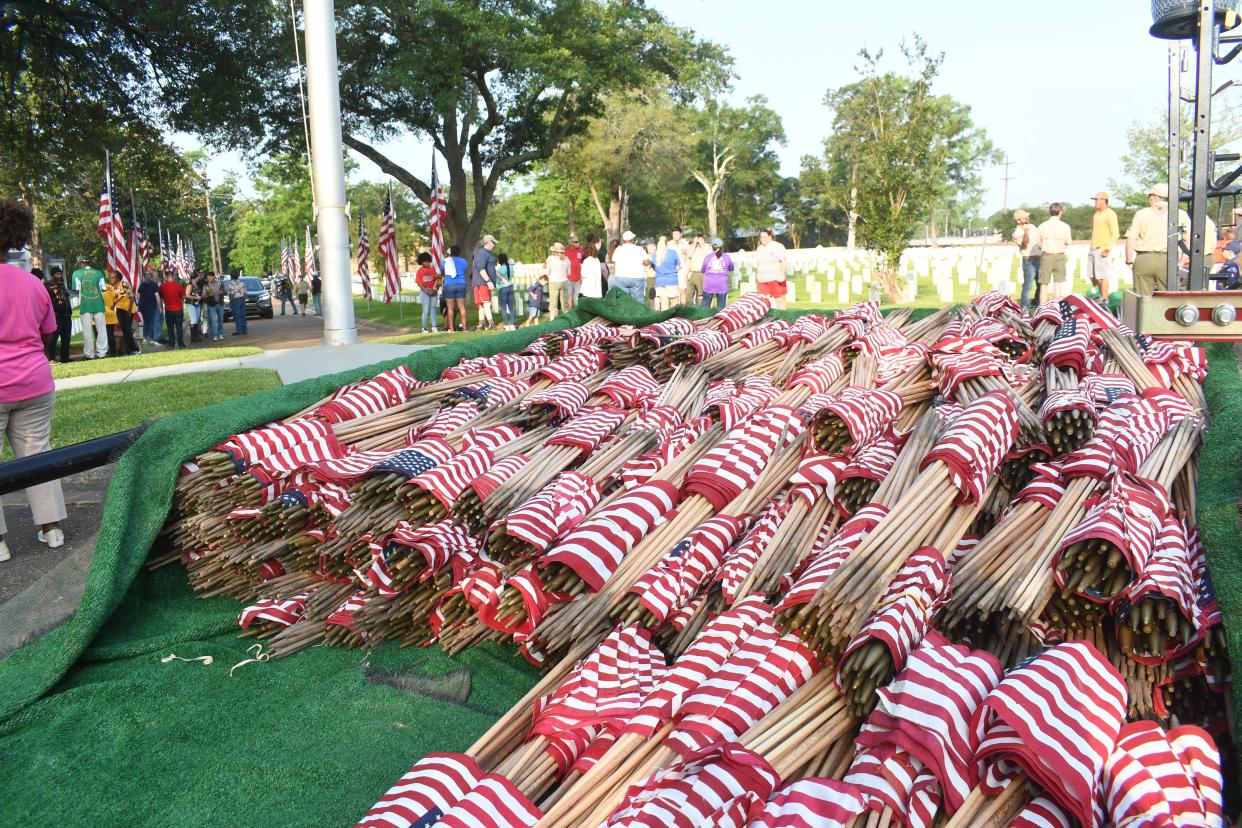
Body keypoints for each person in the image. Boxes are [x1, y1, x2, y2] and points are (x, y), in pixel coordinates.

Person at [0, 198, 67, 561]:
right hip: (35, 382)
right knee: (37, 454)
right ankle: (51, 527)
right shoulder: (31, 282)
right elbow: (48, 332)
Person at [70, 256, 107, 359]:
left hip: (85, 305)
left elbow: (76, 290)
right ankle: (102, 352)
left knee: (87, 331)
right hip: (99, 304)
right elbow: (103, 288)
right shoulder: (99, 273)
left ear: (80, 263)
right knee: (102, 330)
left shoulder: (76, 273)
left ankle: (89, 354)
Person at [1037, 203, 1073, 301]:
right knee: (1058, 284)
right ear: (1060, 212)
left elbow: (1039, 244)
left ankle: (1043, 308)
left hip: (1047, 256)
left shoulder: (1042, 226)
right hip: (1060, 255)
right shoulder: (1065, 226)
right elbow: (1068, 242)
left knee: (1044, 285)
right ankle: (1056, 307)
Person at [1088, 191, 1120, 298]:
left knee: (1102, 276)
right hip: (1092, 249)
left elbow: (1116, 234)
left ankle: (1104, 300)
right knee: (1091, 275)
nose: (1095, 202)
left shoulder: (1110, 214)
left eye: (1096, 200)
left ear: (1103, 200)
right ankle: (1099, 295)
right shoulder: (1096, 214)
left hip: (1102, 249)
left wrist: (1108, 248)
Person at [1011, 209, 1042, 308]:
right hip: (1029, 260)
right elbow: (1024, 244)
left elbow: (1039, 238)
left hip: (1039, 258)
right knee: (1028, 284)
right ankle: (1025, 305)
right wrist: (1025, 232)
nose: (1027, 218)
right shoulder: (1017, 232)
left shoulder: (1032, 227)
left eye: (1027, 217)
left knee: (1040, 283)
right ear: (1018, 220)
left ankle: (1037, 302)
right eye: (1025, 217)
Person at [107, 272, 140, 355]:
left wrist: (129, 311)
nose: (111, 279)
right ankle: (127, 350)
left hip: (128, 309)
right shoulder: (111, 288)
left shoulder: (124, 284)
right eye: (110, 277)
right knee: (125, 330)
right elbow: (114, 301)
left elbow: (132, 297)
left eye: (113, 277)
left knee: (127, 330)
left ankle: (134, 349)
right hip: (119, 309)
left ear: (118, 278)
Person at [755, 228, 788, 309]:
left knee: (779, 300)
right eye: (760, 237)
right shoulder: (759, 248)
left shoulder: (777, 246)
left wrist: (782, 274)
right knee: (763, 301)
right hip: (763, 280)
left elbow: (783, 261)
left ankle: (783, 318)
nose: (762, 239)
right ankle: (767, 320)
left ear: (770, 237)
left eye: (764, 237)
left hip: (775, 278)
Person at [610, 230, 647, 302]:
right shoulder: (639, 249)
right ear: (633, 240)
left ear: (623, 240)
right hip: (637, 277)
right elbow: (646, 263)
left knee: (623, 300)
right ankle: (638, 313)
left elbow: (614, 262)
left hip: (621, 277)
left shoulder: (618, 249)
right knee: (638, 301)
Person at [45, 267, 72, 363]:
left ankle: (65, 358)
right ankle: (51, 358)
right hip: (57, 316)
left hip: (67, 315)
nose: (60, 276)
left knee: (66, 338)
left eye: (61, 274)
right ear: (53, 275)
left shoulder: (62, 285)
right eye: (57, 274)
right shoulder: (48, 285)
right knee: (53, 338)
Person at [472, 234, 499, 331]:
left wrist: (501, 279)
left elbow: (491, 268)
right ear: (488, 242)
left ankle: (481, 325)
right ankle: (492, 324)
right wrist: (488, 281)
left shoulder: (487, 253)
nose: (494, 245)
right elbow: (481, 269)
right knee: (486, 303)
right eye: (493, 243)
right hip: (481, 282)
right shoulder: (481, 253)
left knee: (482, 305)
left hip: (484, 283)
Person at [441, 244, 470, 332]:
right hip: (461, 284)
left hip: (449, 284)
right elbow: (464, 269)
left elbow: (442, 270)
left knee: (450, 307)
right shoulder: (463, 261)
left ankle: (451, 328)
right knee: (461, 306)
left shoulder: (445, 261)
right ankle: (464, 327)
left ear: (450, 252)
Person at [702, 237, 734, 309]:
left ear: (712, 247)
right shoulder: (727, 257)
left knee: (704, 308)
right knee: (721, 309)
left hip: (709, 285)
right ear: (721, 247)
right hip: (721, 285)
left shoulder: (707, 257)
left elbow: (703, 270)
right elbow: (731, 268)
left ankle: (703, 319)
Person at [651, 235, 682, 311]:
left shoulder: (655, 254)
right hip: (672, 281)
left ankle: (664, 322)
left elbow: (654, 268)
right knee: (674, 307)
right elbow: (678, 267)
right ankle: (674, 321)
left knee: (664, 308)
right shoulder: (672, 252)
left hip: (659, 282)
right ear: (667, 243)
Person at [159, 271, 187, 348]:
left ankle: (172, 344)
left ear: (166, 277)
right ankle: (180, 344)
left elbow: (161, 296)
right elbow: (183, 296)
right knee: (179, 328)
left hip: (168, 309)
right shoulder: (178, 285)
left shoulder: (162, 286)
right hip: (178, 309)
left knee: (170, 328)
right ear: (173, 276)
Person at [414, 251, 440, 333]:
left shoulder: (433, 269)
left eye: (428, 261)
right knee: (426, 310)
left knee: (433, 308)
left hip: (434, 290)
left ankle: (434, 326)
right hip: (425, 291)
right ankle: (424, 327)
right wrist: (426, 291)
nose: (427, 263)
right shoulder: (419, 271)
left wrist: (435, 289)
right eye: (425, 261)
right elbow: (419, 283)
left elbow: (438, 280)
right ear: (421, 262)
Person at [544, 242, 570, 318]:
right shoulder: (566, 259)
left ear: (555, 251)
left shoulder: (550, 258)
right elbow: (568, 273)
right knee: (565, 304)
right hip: (564, 282)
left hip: (554, 282)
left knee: (553, 304)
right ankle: (567, 321)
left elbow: (547, 271)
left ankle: (552, 321)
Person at [138, 272, 161, 344]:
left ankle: (145, 338)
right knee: (151, 322)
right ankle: (151, 338)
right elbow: (157, 296)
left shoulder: (141, 285)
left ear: (144, 277)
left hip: (142, 306)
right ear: (151, 277)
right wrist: (159, 306)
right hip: (151, 306)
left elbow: (138, 296)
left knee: (146, 322)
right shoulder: (154, 285)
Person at [686, 231, 709, 305]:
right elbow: (689, 255)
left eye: (700, 239)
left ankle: (700, 308)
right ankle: (689, 308)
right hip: (693, 272)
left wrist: (702, 245)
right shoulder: (693, 247)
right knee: (689, 292)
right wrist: (694, 243)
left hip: (701, 273)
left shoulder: (707, 247)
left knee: (700, 294)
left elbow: (707, 256)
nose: (698, 241)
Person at [495, 252, 517, 330]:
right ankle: (513, 324)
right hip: (510, 287)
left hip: (503, 288)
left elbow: (497, 281)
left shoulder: (499, 270)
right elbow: (512, 275)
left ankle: (506, 325)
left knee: (504, 308)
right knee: (511, 307)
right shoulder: (510, 268)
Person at [100, 271, 120, 356]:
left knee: (100, 335)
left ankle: (103, 352)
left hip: (100, 313)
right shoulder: (110, 287)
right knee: (110, 334)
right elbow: (117, 297)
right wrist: (113, 305)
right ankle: (113, 352)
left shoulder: (95, 288)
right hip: (110, 312)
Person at [670, 227, 692, 304]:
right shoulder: (669, 244)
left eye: (677, 234)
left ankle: (683, 309)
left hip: (682, 270)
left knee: (682, 290)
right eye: (673, 234)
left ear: (681, 234)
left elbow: (689, 259)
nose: (675, 235)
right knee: (674, 292)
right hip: (672, 270)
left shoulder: (686, 244)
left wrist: (687, 273)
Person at [563, 233, 584, 310]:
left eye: (578, 241)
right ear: (571, 242)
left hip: (578, 278)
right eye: (575, 242)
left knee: (577, 296)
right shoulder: (565, 250)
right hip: (568, 277)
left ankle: (576, 310)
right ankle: (570, 311)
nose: (577, 243)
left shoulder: (581, 250)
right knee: (569, 295)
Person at [203, 272, 225, 341]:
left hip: (220, 304)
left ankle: (221, 334)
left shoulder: (220, 283)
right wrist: (208, 295)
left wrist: (217, 293)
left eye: (210, 277)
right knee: (213, 320)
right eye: (208, 278)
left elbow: (224, 291)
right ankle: (215, 335)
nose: (209, 279)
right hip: (211, 305)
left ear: (213, 277)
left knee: (220, 319)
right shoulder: (206, 286)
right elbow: (203, 296)